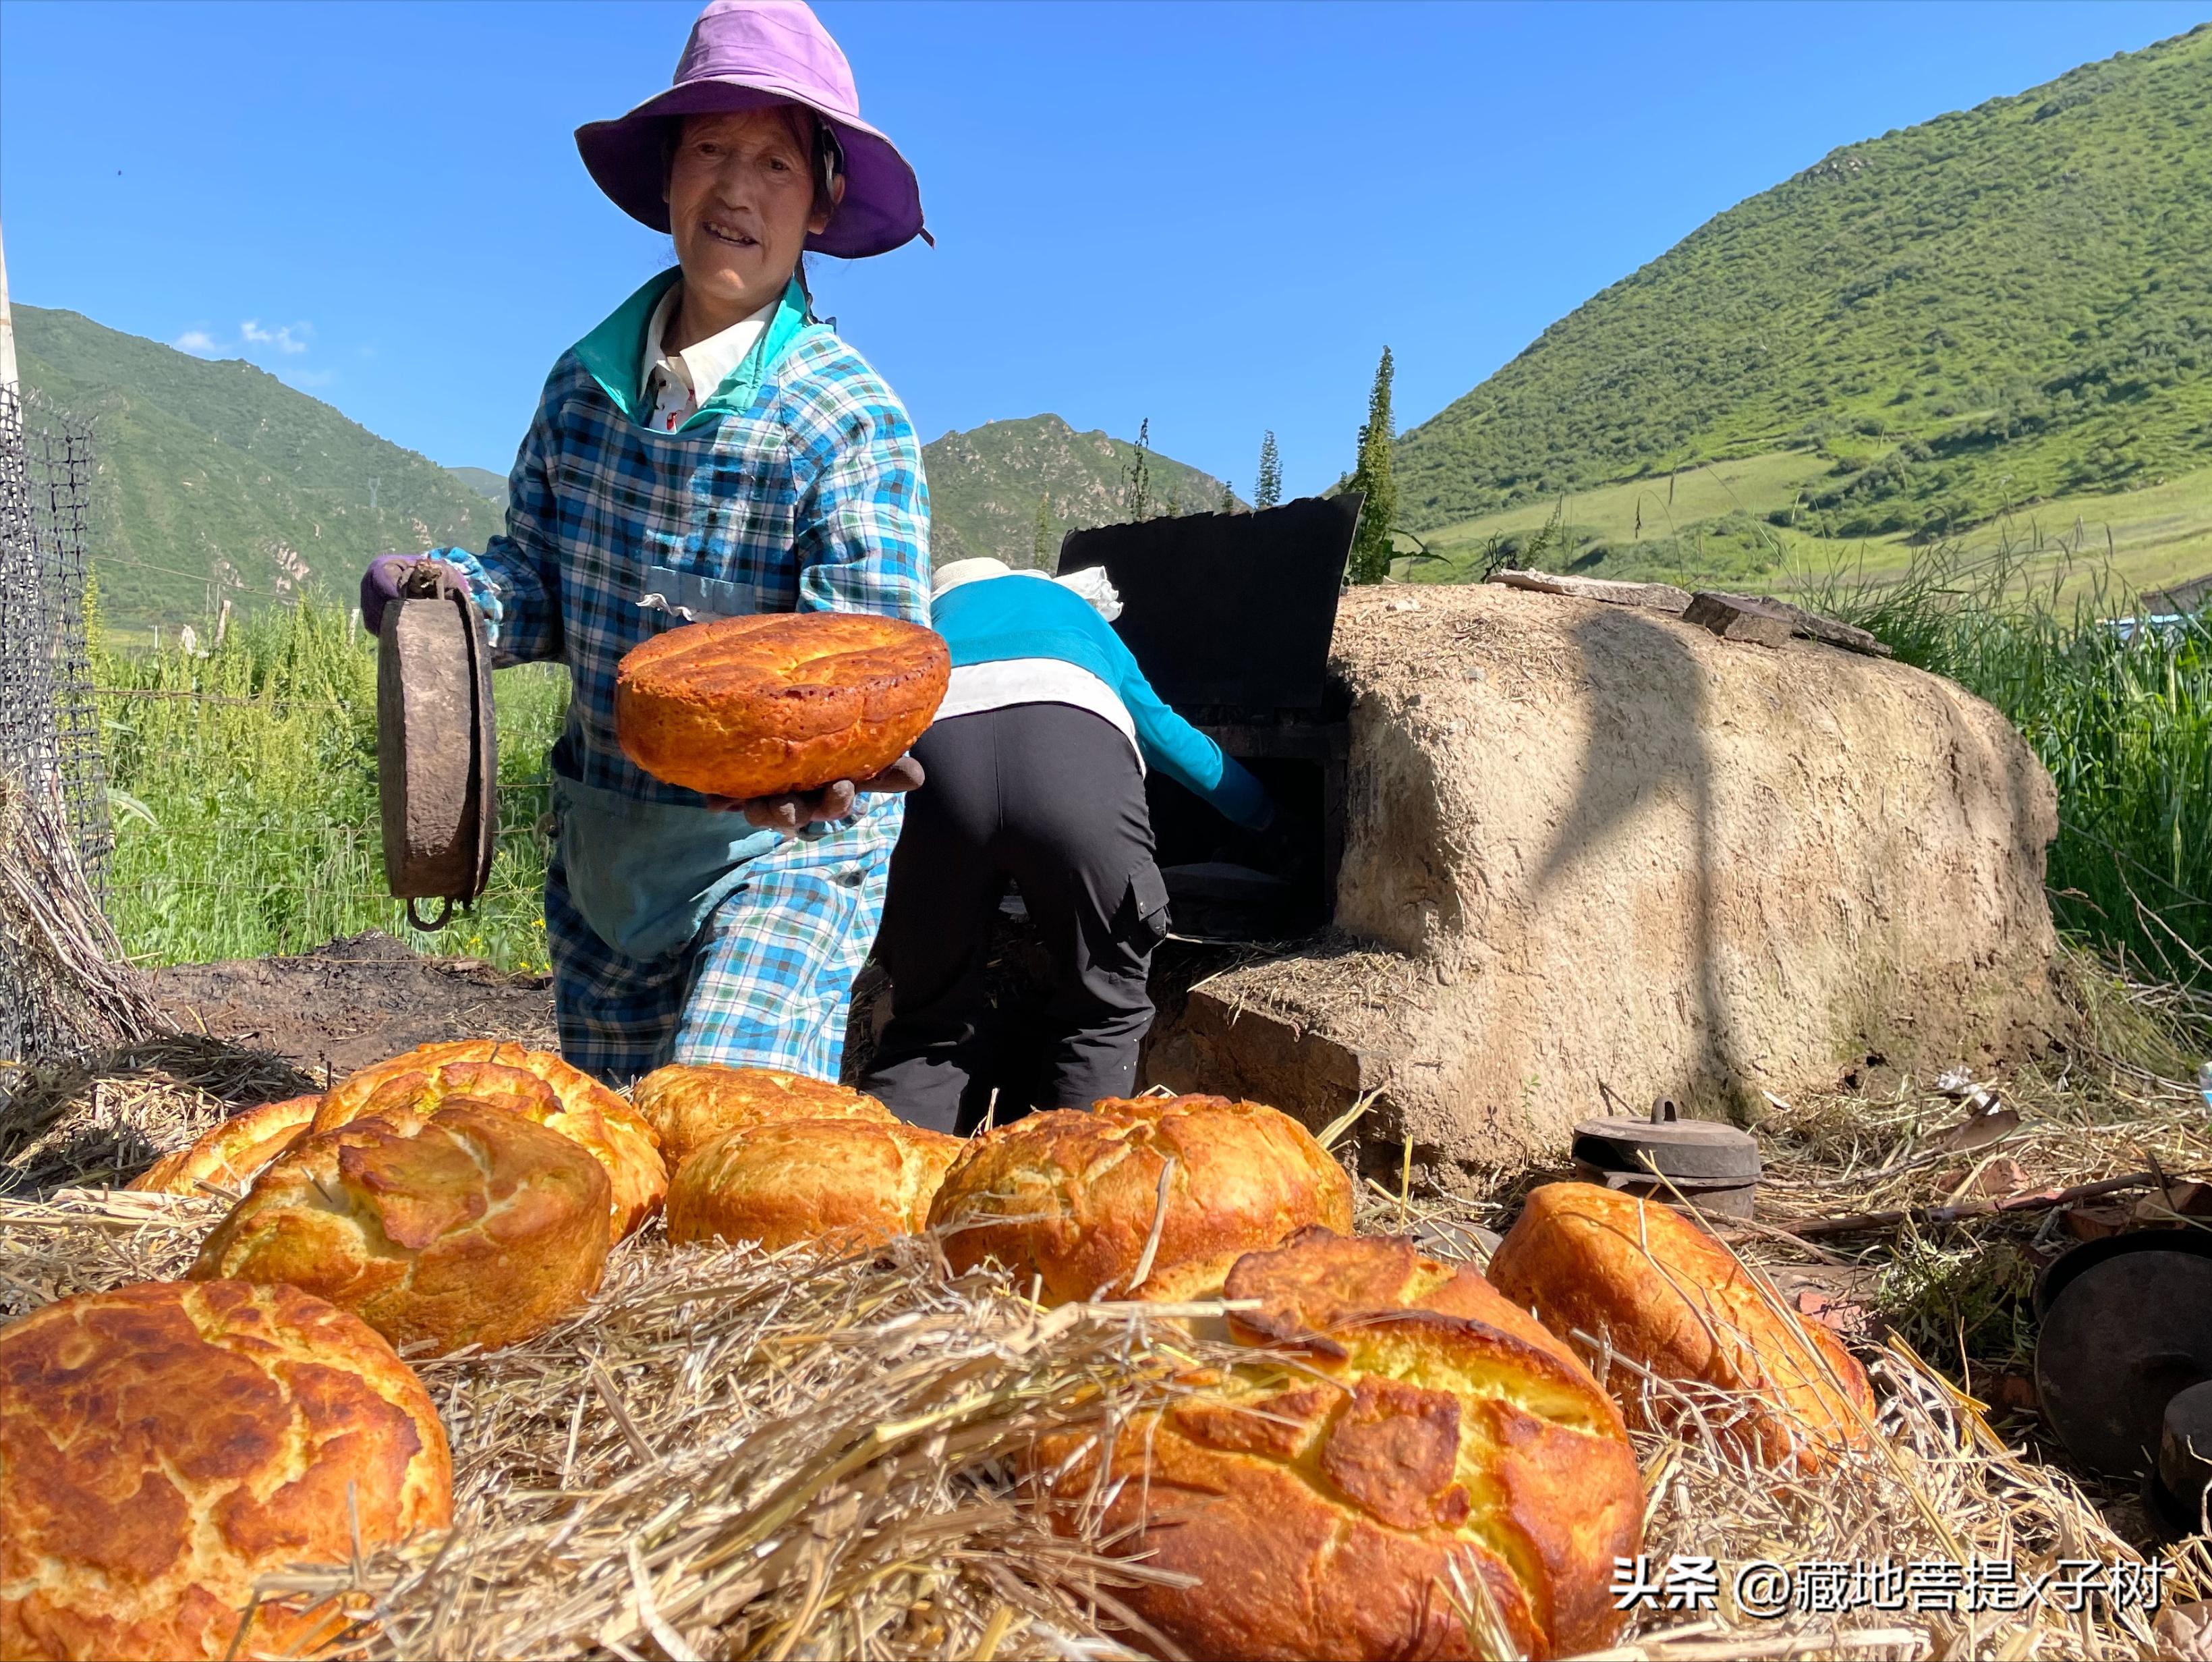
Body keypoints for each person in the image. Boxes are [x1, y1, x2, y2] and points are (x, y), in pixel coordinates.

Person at [358, 0, 931, 1086]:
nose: (736, 187)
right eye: (710, 148)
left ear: (820, 204)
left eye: (773, 160)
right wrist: (444, 599)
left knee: (716, 1118)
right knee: (614, 1148)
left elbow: (871, 658)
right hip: (610, 840)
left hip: (784, 852)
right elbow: (535, 581)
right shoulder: (582, 390)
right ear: (666, 177)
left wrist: (820, 766)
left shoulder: (846, 417)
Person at [860, 557, 1278, 1134]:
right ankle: (1062, 1207)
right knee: (1103, 1012)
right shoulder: (1076, 614)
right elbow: (1167, 735)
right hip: (1075, 759)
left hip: (934, 772)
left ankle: (881, 1209)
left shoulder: (923, 624)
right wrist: (1263, 813)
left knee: (927, 1021)